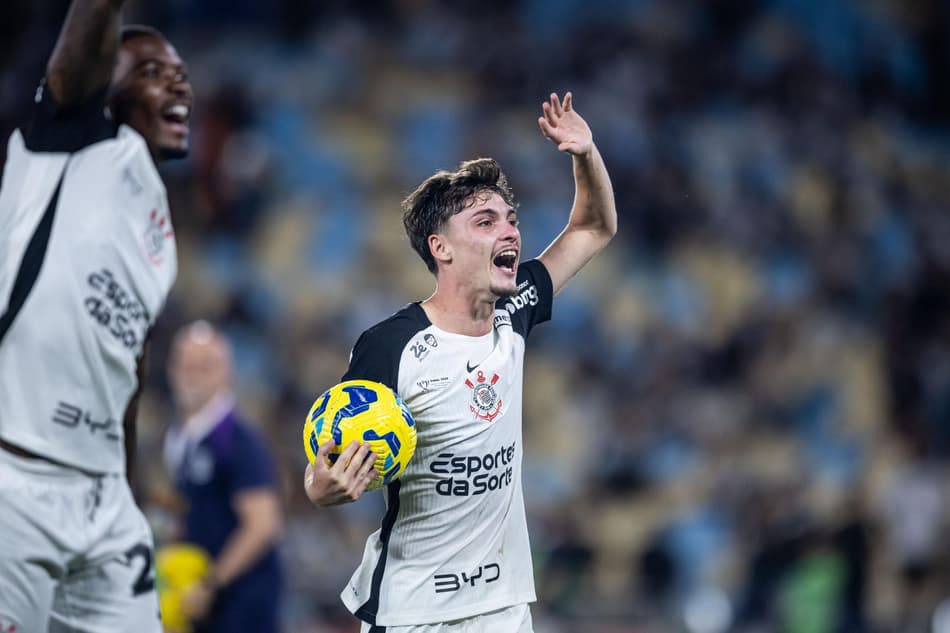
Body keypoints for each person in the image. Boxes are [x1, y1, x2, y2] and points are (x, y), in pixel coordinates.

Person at [304, 92, 617, 632]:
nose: (511, 231)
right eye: (486, 221)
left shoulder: (513, 310)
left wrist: (584, 154)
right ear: (440, 248)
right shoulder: (391, 345)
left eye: (511, 219)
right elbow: (333, 445)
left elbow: (593, 228)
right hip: (413, 612)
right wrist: (319, 485)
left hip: (502, 608)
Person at [0, 1, 192, 630]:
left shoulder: (157, 228)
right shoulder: (64, 143)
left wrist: (130, 497)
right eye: (153, 70)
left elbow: (124, 378)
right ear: (104, 89)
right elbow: (78, 50)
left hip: (103, 499)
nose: (178, 81)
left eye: (180, 71)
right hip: (17, 478)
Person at [163, 321, 284, 633]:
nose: (192, 376)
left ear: (226, 373)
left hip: (240, 601)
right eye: (186, 365)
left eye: (205, 367)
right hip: (199, 600)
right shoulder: (181, 437)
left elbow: (262, 524)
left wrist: (210, 583)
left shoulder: (239, 440)